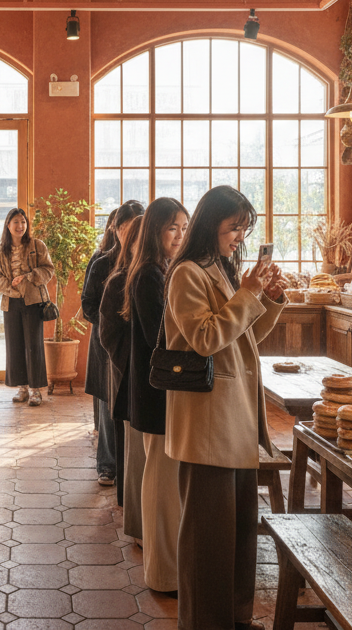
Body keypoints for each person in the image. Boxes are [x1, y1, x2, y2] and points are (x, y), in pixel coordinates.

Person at [164, 185, 286, 630]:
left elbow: (243, 339)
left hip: (234, 419)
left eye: (244, 230)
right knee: (206, 542)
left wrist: (266, 299)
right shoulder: (186, 275)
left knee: (237, 537)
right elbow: (205, 339)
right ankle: (203, 622)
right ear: (210, 223)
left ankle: (235, 617)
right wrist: (248, 296)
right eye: (234, 227)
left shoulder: (222, 268)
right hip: (208, 425)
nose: (239, 237)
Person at [123, 197, 189, 595]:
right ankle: (164, 574)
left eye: (184, 227)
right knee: (162, 483)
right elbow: (156, 337)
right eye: (172, 228)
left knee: (162, 479)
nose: (180, 236)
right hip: (155, 390)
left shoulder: (161, 269)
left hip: (156, 389)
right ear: (154, 232)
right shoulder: (149, 273)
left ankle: (164, 566)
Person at [82, 201, 144, 487]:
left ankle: (132, 464)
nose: (130, 233)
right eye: (125, 227)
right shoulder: (102, 261)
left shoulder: (146, 262)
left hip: (138, 342)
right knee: (109, 402)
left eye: (137, 227)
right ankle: (107, 464)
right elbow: (88, 305)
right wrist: (111, 323)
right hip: (107, 342)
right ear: (115, 229)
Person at [0, 207, 55, 406]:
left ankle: (36, 390)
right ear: (8, 225)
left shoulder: (37, 245)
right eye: (16, 222)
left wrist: (28, 277)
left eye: (23, 222)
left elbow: (48, 270)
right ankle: (22, 388)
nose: (20, 226)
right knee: (15, 345)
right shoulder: (0, 251)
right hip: (11, 302)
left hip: (33, 301)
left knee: (33, 346)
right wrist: (11, 287)